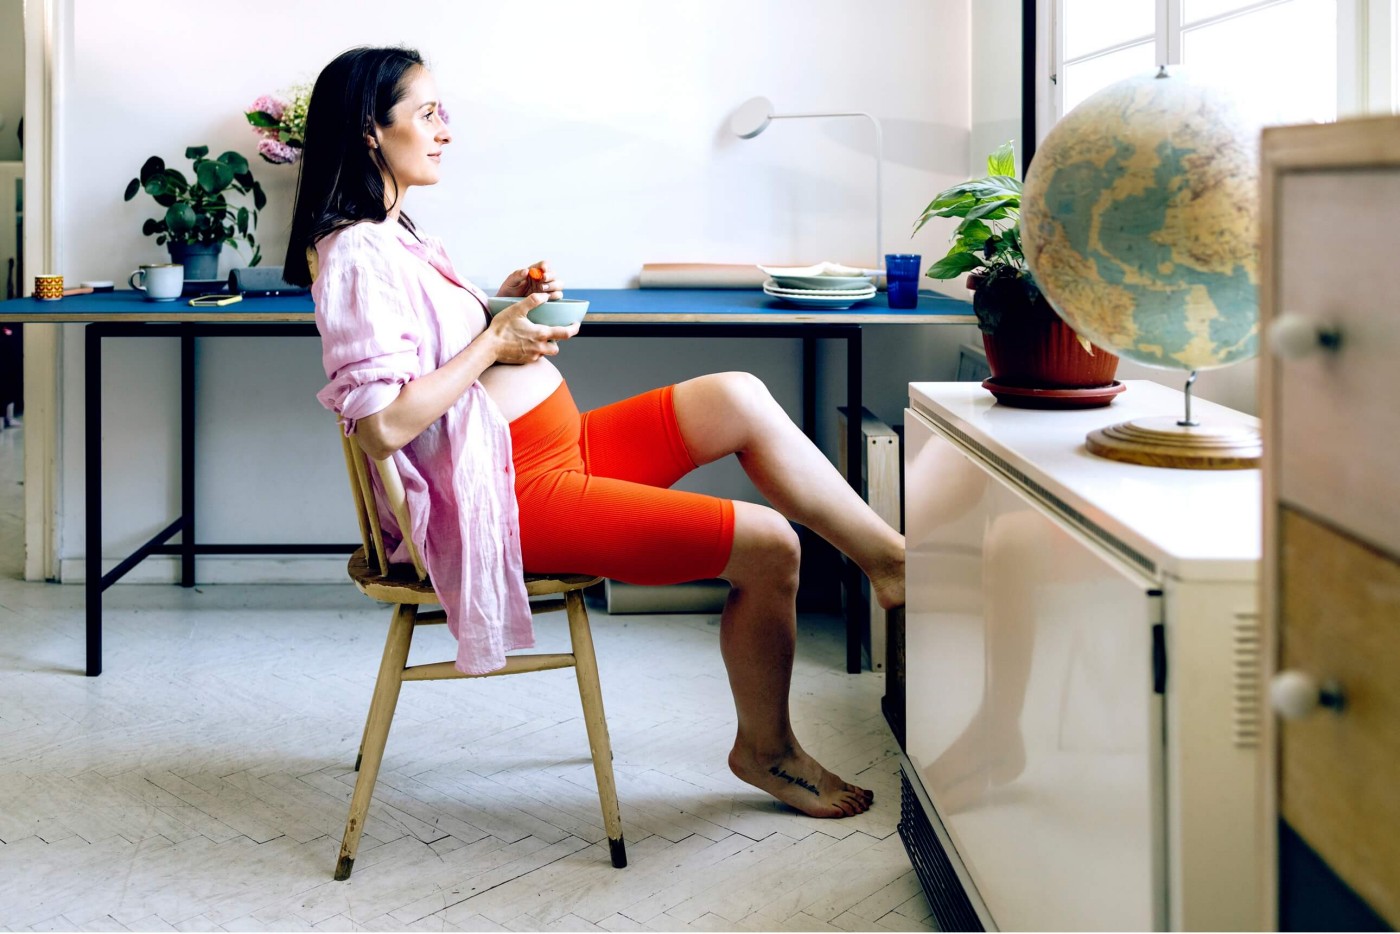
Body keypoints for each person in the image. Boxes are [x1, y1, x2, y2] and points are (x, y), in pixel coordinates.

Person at [286, 46, 904, 819]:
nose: (447, 131)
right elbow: (383, 426)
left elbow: (427, 352)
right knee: (771, 545)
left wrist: (492, 304)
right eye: (429, 113)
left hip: (548, 451)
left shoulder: (399, 233)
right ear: (372, 132)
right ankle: (768, 750)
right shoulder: (353, 253)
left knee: (736, 395)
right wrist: (494, 343)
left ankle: (890, 563)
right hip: (511, 493)